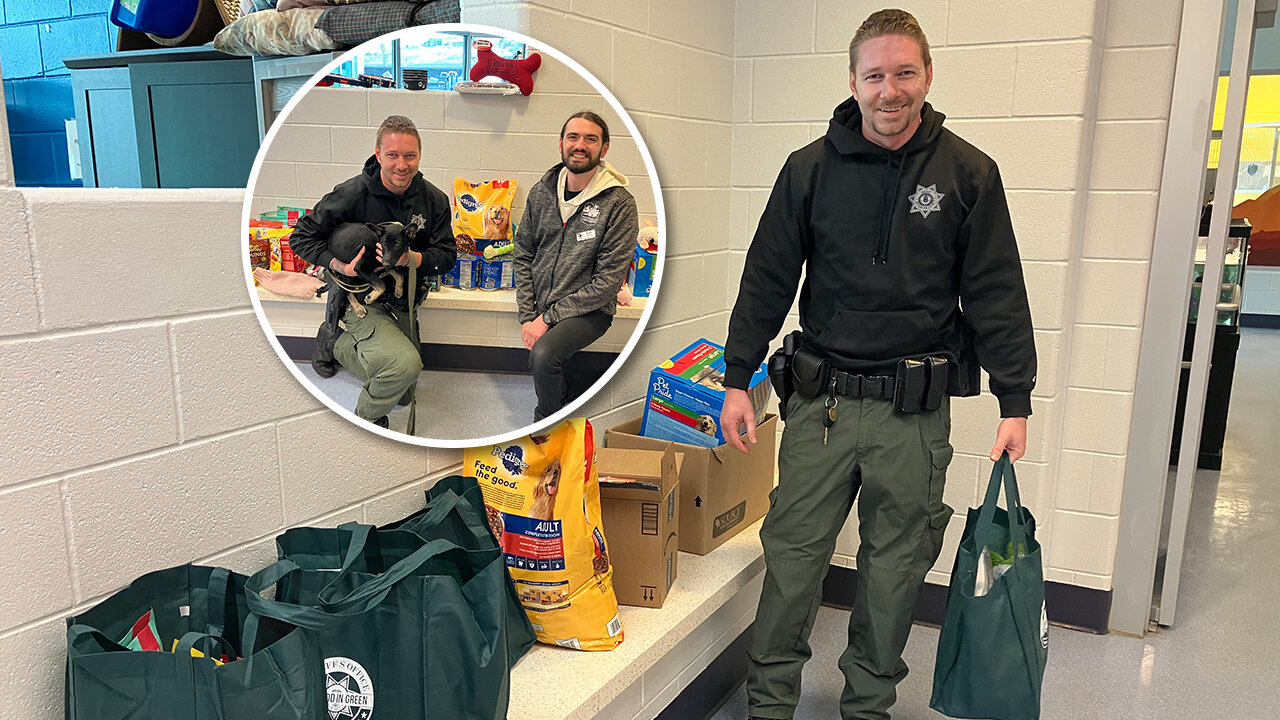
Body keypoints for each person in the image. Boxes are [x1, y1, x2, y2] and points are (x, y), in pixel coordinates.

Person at [718, 9, 1037, 720]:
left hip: (912, 417)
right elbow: (766, 277)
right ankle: (768, 708)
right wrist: (736, 378)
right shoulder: (807, 169)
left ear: (928, 75)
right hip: (818, 406)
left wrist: (1014, 400)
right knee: (793, 564)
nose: (889, 90)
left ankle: (867, 709)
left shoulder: (968, 173)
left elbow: (995, 290)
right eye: (874, 75)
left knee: (894, 576)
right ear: (852, 81)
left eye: (904, 73)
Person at [290, 115, 455, 429]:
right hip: (359, 296)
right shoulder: (351, 194)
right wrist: (339, 265)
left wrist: (413, 259)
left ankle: (336, 342)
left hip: (402, 295)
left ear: (420, 155)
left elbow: (447, 257)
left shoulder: (434, 200)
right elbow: (301, 236)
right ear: (378, 155)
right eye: (392, 155)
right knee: (403, 367)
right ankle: (368, 417)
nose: (402, 165)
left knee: (404, 392)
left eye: (410, 155)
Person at [513, 111, 638, 420]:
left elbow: (607, 283)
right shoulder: (541, 192)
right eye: (573, 137)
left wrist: (546, 319)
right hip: (542, 305)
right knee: (548, 360)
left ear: (604, 148)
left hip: (590, 311)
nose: (580, 145)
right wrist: (529, 315)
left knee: (543, 356)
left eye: (590, 139)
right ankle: (568, 394)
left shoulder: (619, 204)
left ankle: (545, 422)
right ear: (561, 144)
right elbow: (524, 253)